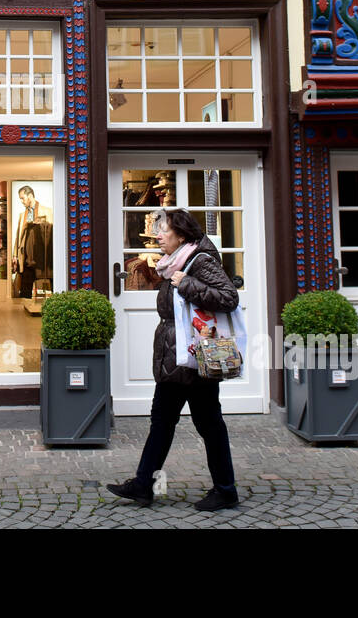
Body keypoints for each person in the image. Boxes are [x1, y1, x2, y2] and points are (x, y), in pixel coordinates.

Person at [107, 209, 242, 511]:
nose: (158, 235)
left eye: (163, 230)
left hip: (193, 360)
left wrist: (187, 284)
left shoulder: (199, 262)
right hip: (178, 358)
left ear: (181, 235)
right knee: (165, 421)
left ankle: (225, 490)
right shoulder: (174, 264)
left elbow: (229, 297)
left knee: (205, 424)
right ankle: (145, 484)